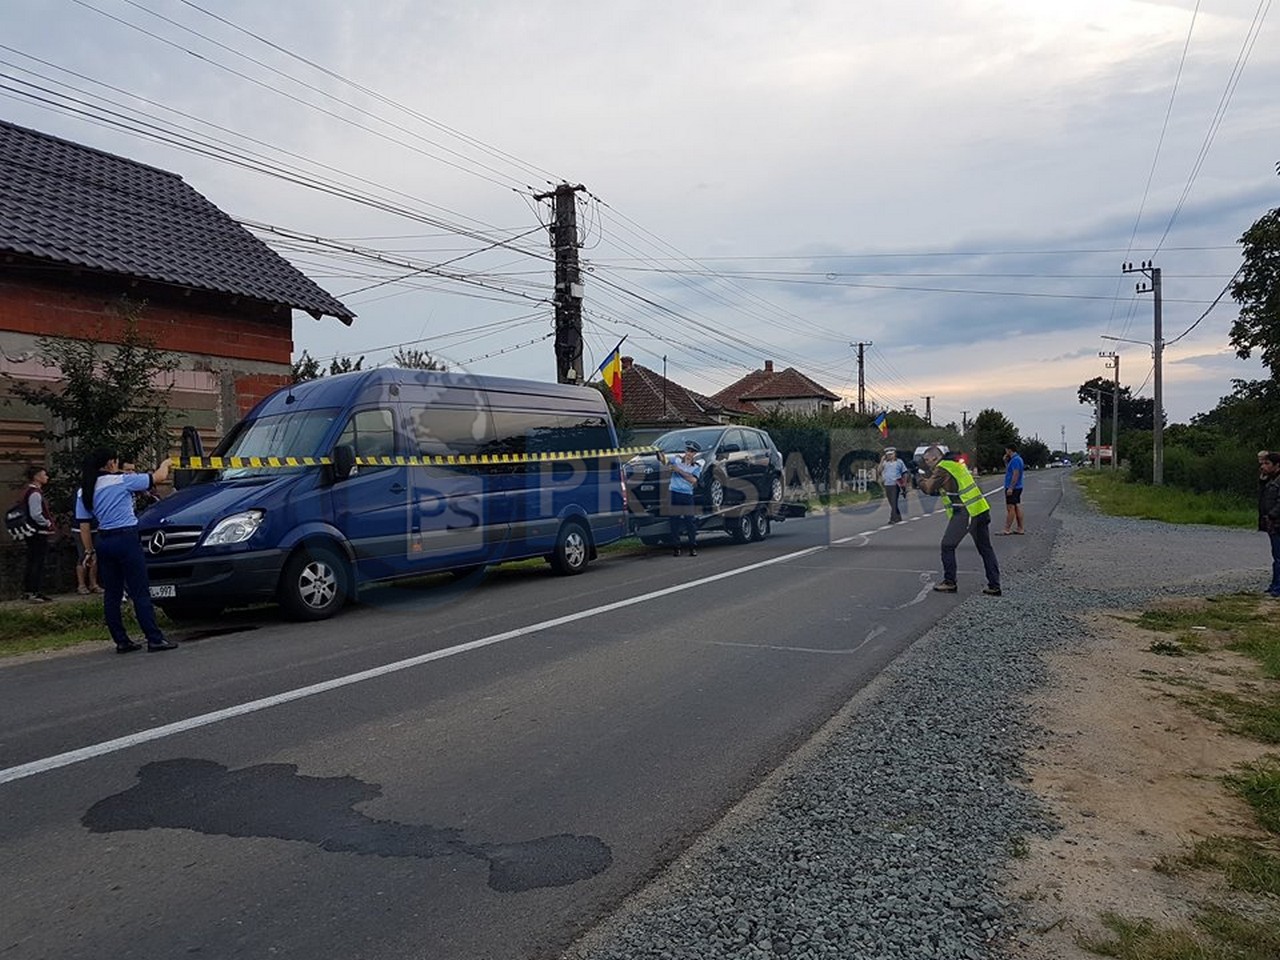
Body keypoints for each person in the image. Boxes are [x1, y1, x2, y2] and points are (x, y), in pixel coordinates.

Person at [78, 448, 177, 653]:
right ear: (111, 464)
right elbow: (158, 477)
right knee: (139, 590)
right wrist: (166, 464)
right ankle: (154, 638)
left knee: (112, 594)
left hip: (103, 541)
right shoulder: (122, 480)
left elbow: (85, 525)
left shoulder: (85, 489)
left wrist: (89, 552)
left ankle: (121, 640)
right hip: (126, 538)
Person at [917, 445, 1002, 596]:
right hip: (980, 510)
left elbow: (929, 488)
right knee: (985, 549)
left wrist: (919, 479)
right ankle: (994, 585)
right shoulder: (955, 465)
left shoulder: (943, 467)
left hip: (966, 512)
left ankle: (950, 582)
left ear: (935, 458)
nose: (926, 463)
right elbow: (944, 488)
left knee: (947, 546)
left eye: (927, 460)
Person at [21, 465, 55, 603]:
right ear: (36, 476)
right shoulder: (34, 493)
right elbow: (36, 514)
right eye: (44, 474)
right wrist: (47, 523)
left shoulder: (29, 492)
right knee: (37, 562)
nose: (46, 477)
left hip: (32, 532)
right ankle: (33, 591)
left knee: (33, 561)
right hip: (37, 532)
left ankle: (30, 590)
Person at [667, 440, 703, 557]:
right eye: (688, 450)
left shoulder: (697, 466)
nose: (689, 453)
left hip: (687, 495)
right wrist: (659, 454)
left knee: (690, 522)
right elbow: (665, 461)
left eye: (692, 451)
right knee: (674, 522)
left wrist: (679, 471)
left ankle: (692, 546)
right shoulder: (676, 459)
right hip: (674, 493)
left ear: (695, 454)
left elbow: (693, 480)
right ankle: (676, 547)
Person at [1258, 452, 1280, 598]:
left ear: (1277, 465)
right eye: (1262, 464)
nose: (1263, 467)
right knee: (1276, 556)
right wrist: (1263, 481)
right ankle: (1274, 585)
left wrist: (1272, 515)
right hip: (1273, 524)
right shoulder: (1271, 480)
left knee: (1279, 557)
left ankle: (1277, 588)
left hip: (1278, 523)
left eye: (1267, 464)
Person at [878, 447, 909, 523]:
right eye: (888, 455)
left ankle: (893, 519)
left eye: (891, 454)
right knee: (891, 502)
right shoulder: (885, 463)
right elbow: (879, 471)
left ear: (894, 454)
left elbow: (904, 472)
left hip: (896, 484)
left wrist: (904, 483)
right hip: (887, 484)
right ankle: (898, 517)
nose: (889, 456)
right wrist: (882, 461)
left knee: (894, 501)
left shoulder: (899, 462)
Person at [999, 443, 1025, 535]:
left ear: (1010, 450)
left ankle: (1007, 529)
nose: (1006, 452)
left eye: (1006, 450)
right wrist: (1006, 462)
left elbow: (1015, 474)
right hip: (1017, 487)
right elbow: (1010, 471)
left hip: (1014, 487)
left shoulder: (1015, 460)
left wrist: (1011, 487)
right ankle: (1020, 528)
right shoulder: (1015, 459)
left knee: (1011, 508)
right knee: (1016, 506)